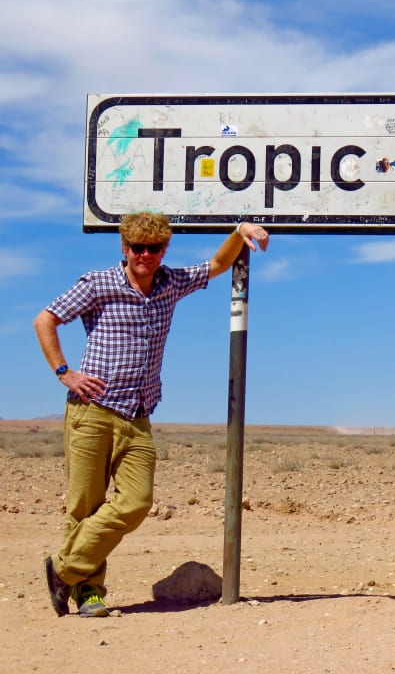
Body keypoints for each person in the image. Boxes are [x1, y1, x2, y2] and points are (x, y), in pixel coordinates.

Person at [34, 212, 269, 617]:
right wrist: (64, 373)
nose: (145, 255)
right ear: (124, 249)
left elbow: (216, 265)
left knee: (137, 502)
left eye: (154, 248)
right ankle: (89, 592)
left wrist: (238, 232)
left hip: (138, 415)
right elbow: (46, 319)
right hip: (92, 411)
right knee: (85, 506)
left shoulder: (170, 283)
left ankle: (63, 568)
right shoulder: (99, 283)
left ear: (164, 250)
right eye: (137, 248)